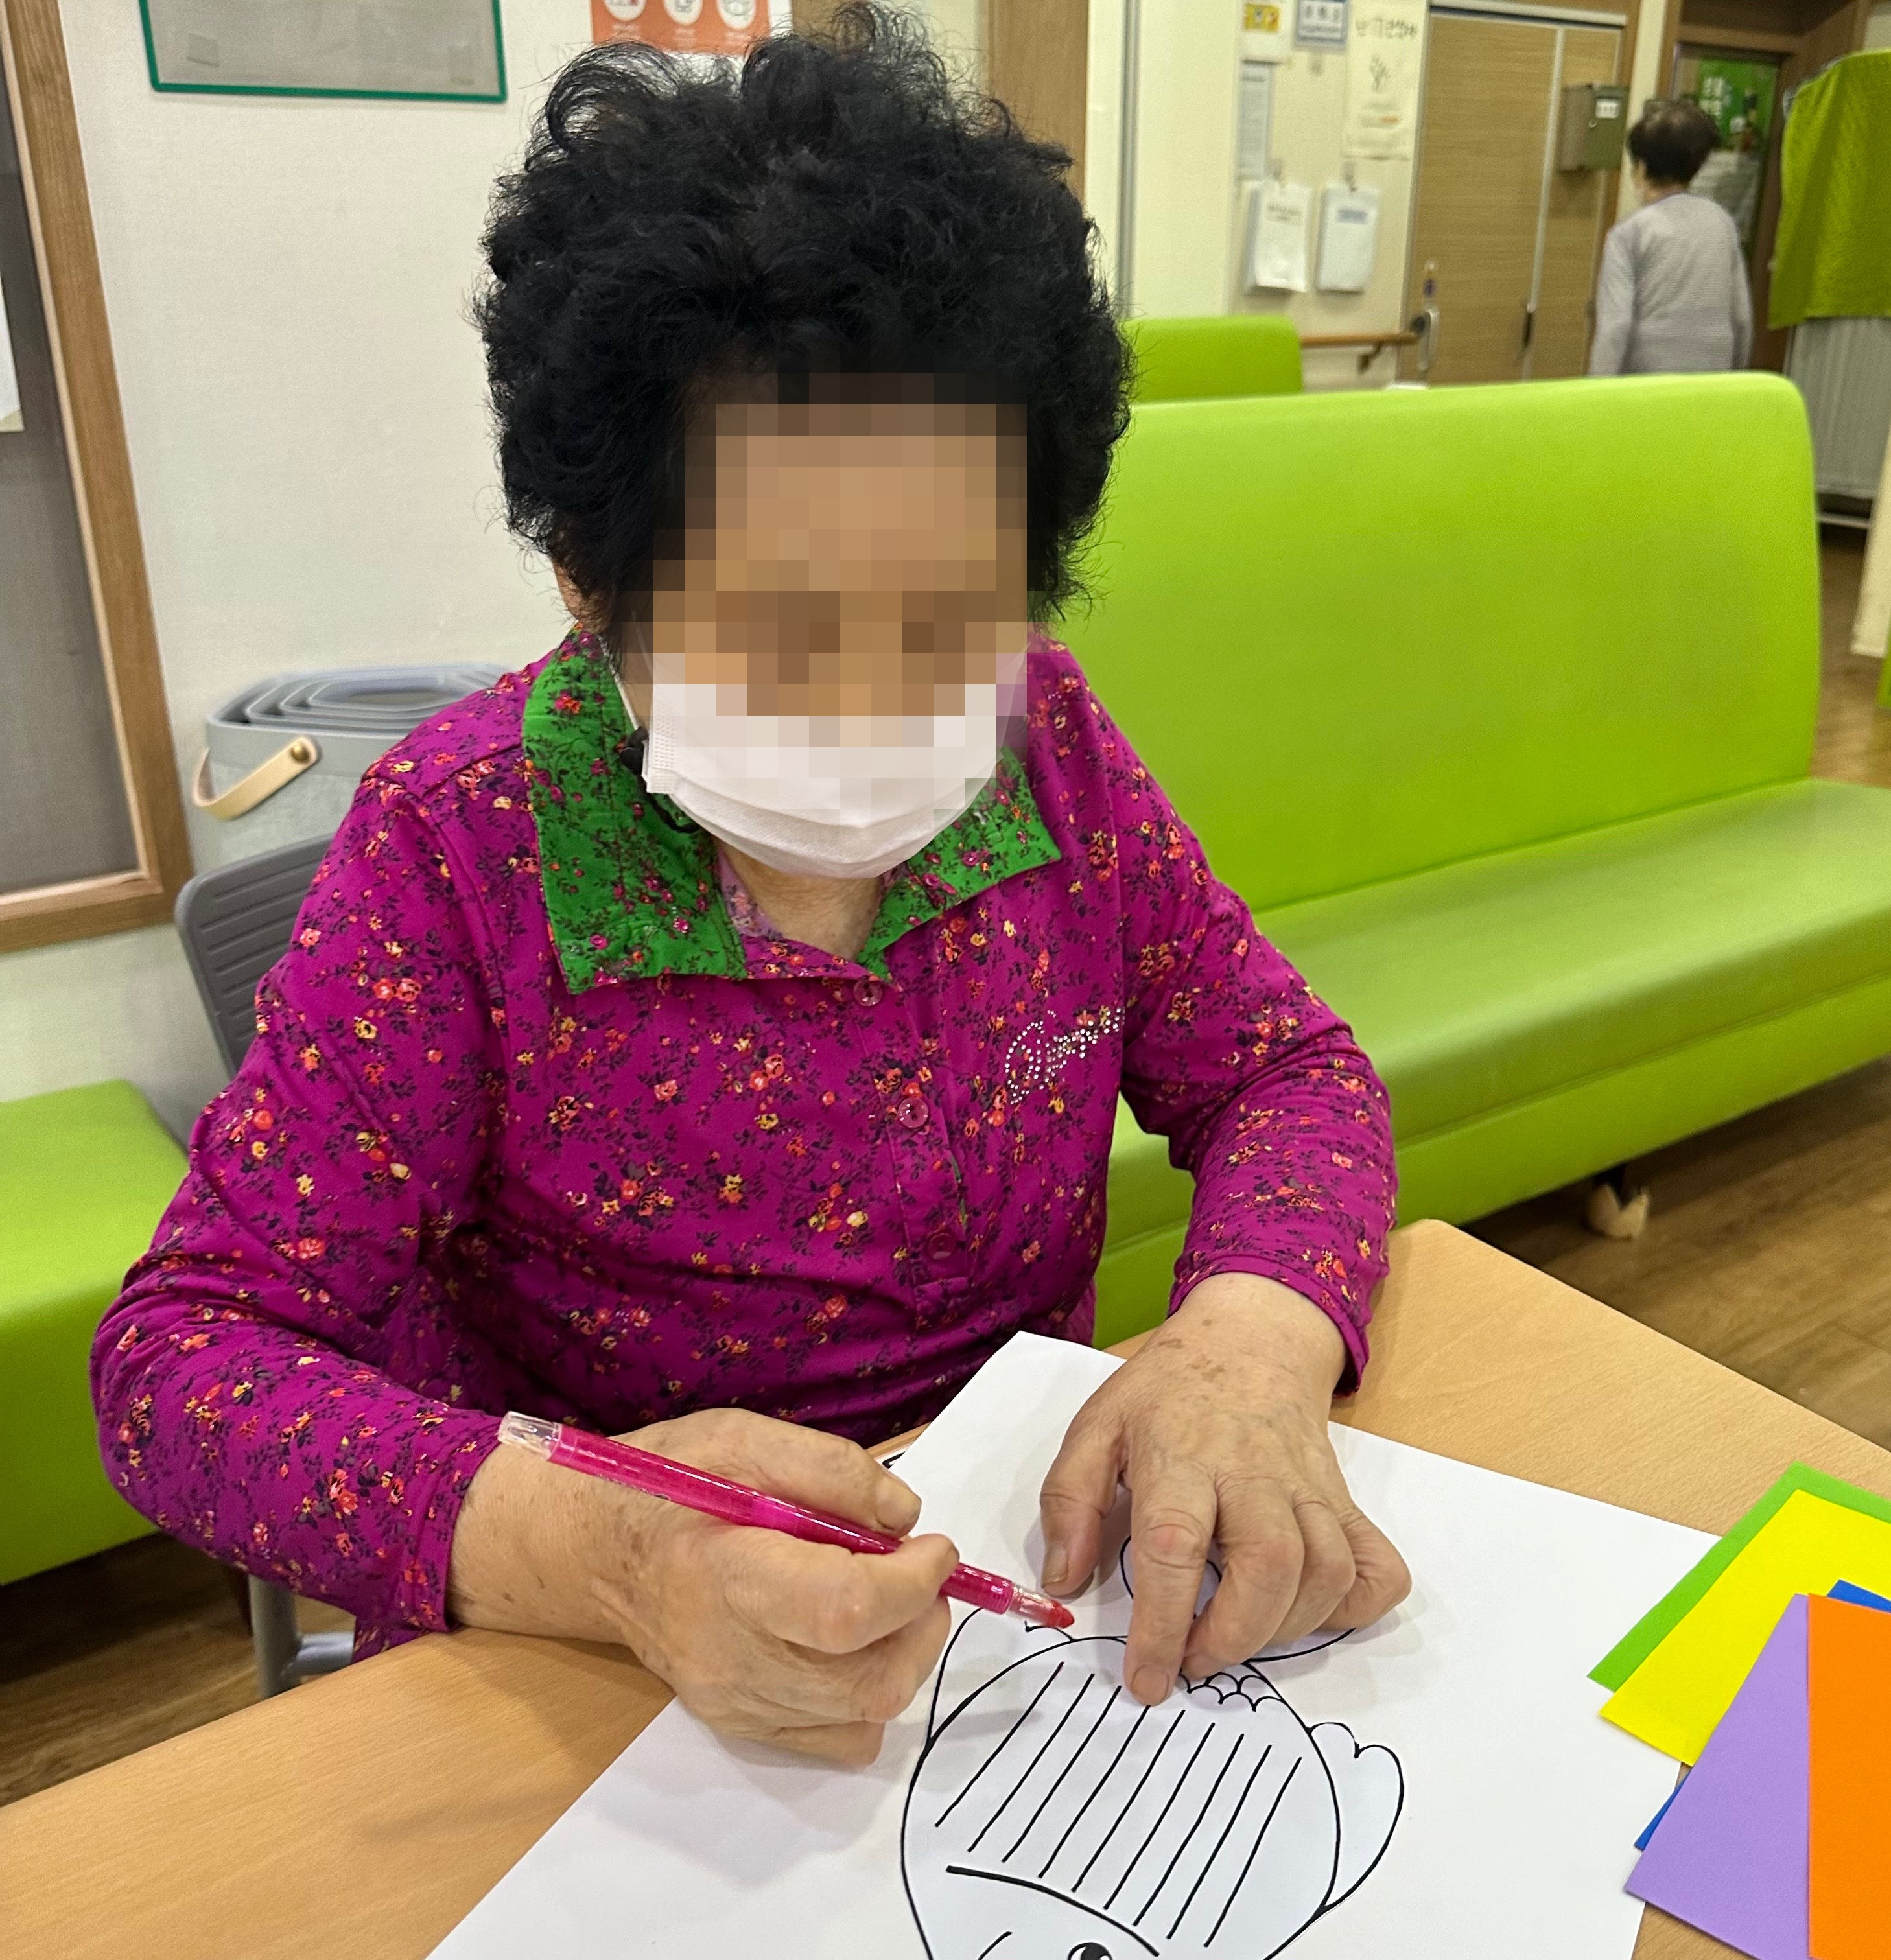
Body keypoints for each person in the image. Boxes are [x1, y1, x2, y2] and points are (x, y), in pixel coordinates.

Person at [93, 8, 1405, 1767]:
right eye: (782, 628)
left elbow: (1285, 1070)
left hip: (1022, 1622)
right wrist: (593, 1546)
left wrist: (1250, 1340)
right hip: (607, 1679)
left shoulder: (1053, 760)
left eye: (949, 616)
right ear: (591, 581)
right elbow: (186, 1360)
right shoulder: (461, 850)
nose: (878, 699)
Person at [1589, 99, 1752, 376]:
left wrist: (1597, 390)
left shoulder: (1630, 234)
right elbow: (1741, 317)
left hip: (1648, 381)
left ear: (1641, 168)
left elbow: (1615, 326)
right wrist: (1735, 376)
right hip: (1711, 379)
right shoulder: (1721, 223)